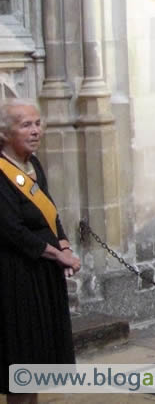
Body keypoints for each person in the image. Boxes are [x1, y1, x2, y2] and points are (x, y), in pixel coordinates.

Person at [0, 99, 80, 404]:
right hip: (16, 278)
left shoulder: (32, 164)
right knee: (22, 359)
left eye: (37, 123)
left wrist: (65, 245)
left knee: (38, 359)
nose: (36, 131)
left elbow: (50, 212)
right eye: (26, 125)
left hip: (42, 274)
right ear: (5, 133)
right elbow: (10, 230)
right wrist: (56, 255)